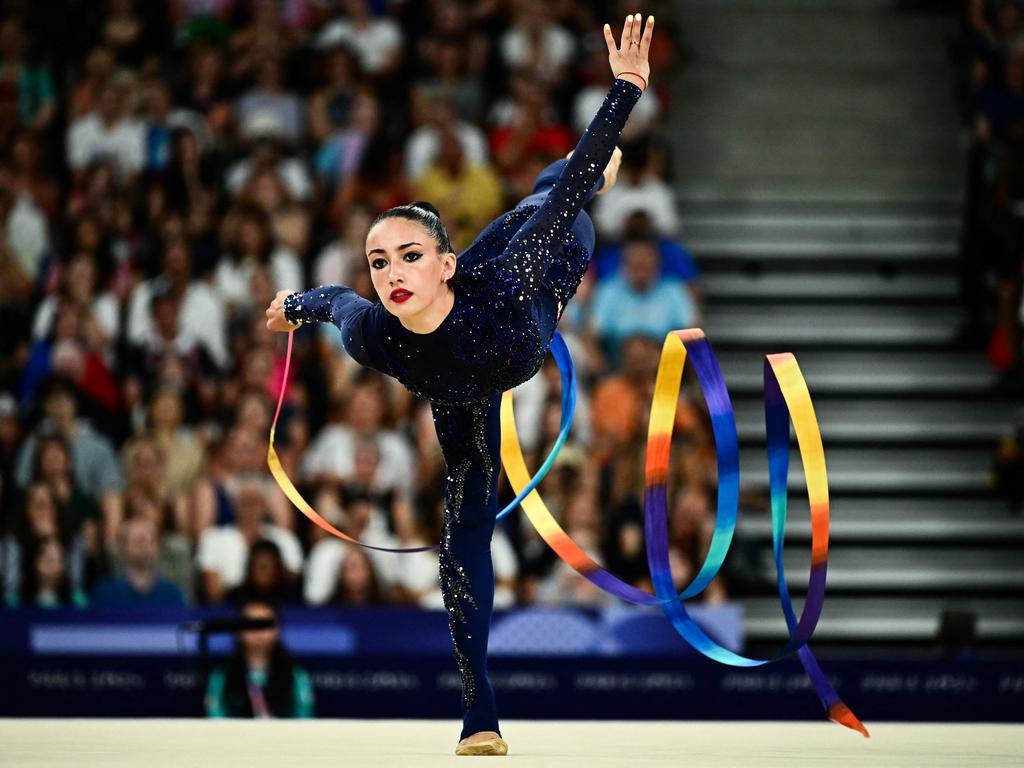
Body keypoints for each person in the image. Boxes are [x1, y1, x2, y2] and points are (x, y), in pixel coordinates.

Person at [265, 14, 656, 756]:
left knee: (558, 195)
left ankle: (595, 165)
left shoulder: (506, 282)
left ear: (437, 264)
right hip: (463, 384)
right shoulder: (375, 334)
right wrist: (295, 306)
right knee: (463, 525)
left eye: (408, 256)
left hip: (536, 271)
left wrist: (623, 93)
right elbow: (338, 301)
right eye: (380, 262)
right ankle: (480, 713)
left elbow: (567, 196)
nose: (389, 275)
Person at [204, 600, 314, 718]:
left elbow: (304, 719)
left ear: (277, 630)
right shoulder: (221, 676)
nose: (258, 632)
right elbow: (215, 719)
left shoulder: (297, 676)